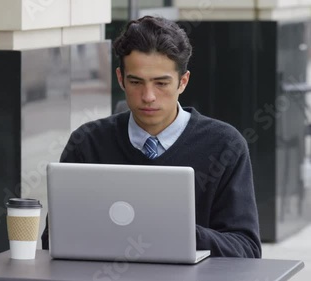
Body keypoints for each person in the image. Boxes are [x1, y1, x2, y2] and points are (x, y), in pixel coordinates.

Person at [41, 15, 262, 258]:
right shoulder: (88, 143)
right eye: (136, 82)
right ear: (120, 79)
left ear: (183, 82)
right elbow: (53, 239)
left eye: (161, 83)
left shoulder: (225, 145)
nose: (148, 96)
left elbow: (247, 249)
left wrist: (179, 233)